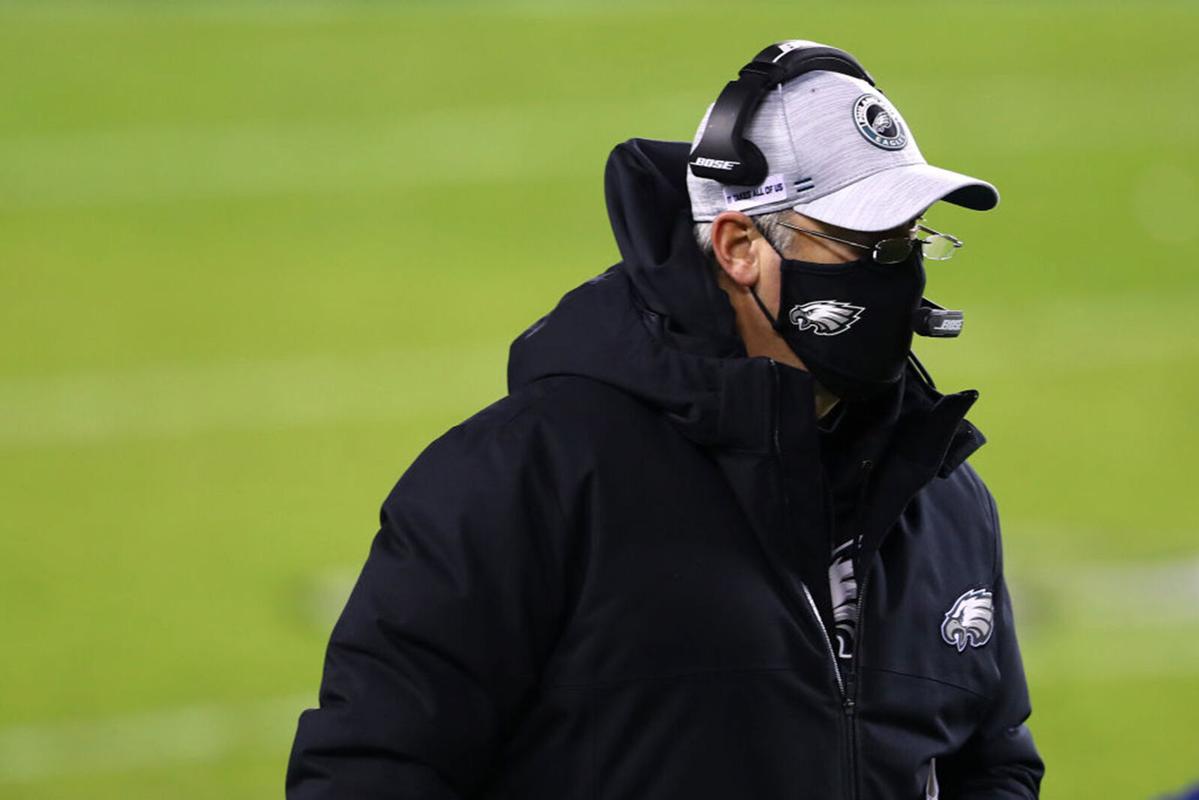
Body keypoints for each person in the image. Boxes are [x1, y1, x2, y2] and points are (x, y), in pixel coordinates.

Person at [286, 39, 1045, 800]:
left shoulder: (944, 497)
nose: (898, 276)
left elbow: (994, 762)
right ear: (739, 244)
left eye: (909, 242)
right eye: (860, 245)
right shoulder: (527, 478)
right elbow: (368, 769)